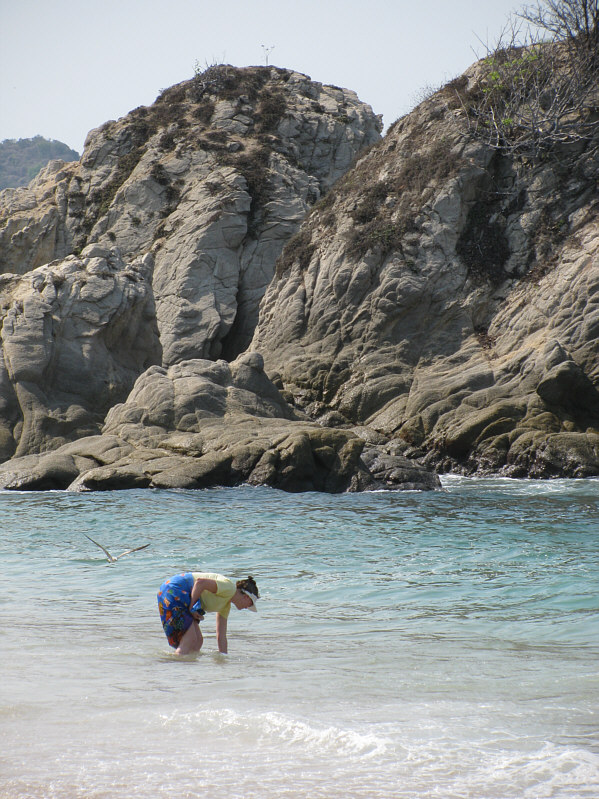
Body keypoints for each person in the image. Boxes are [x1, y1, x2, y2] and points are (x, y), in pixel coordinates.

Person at [157, 572, 259, 655]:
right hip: (175, 588)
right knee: (190, 639)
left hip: (183, 596)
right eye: (250, 604)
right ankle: (174, 669)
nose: (247, 607)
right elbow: (200, 583)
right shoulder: (229, 588)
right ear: (246, 597)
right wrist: (192, 607)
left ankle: (186, 673)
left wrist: (224, 660)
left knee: (198, 642)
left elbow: (221, 636)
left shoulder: (225, 606)